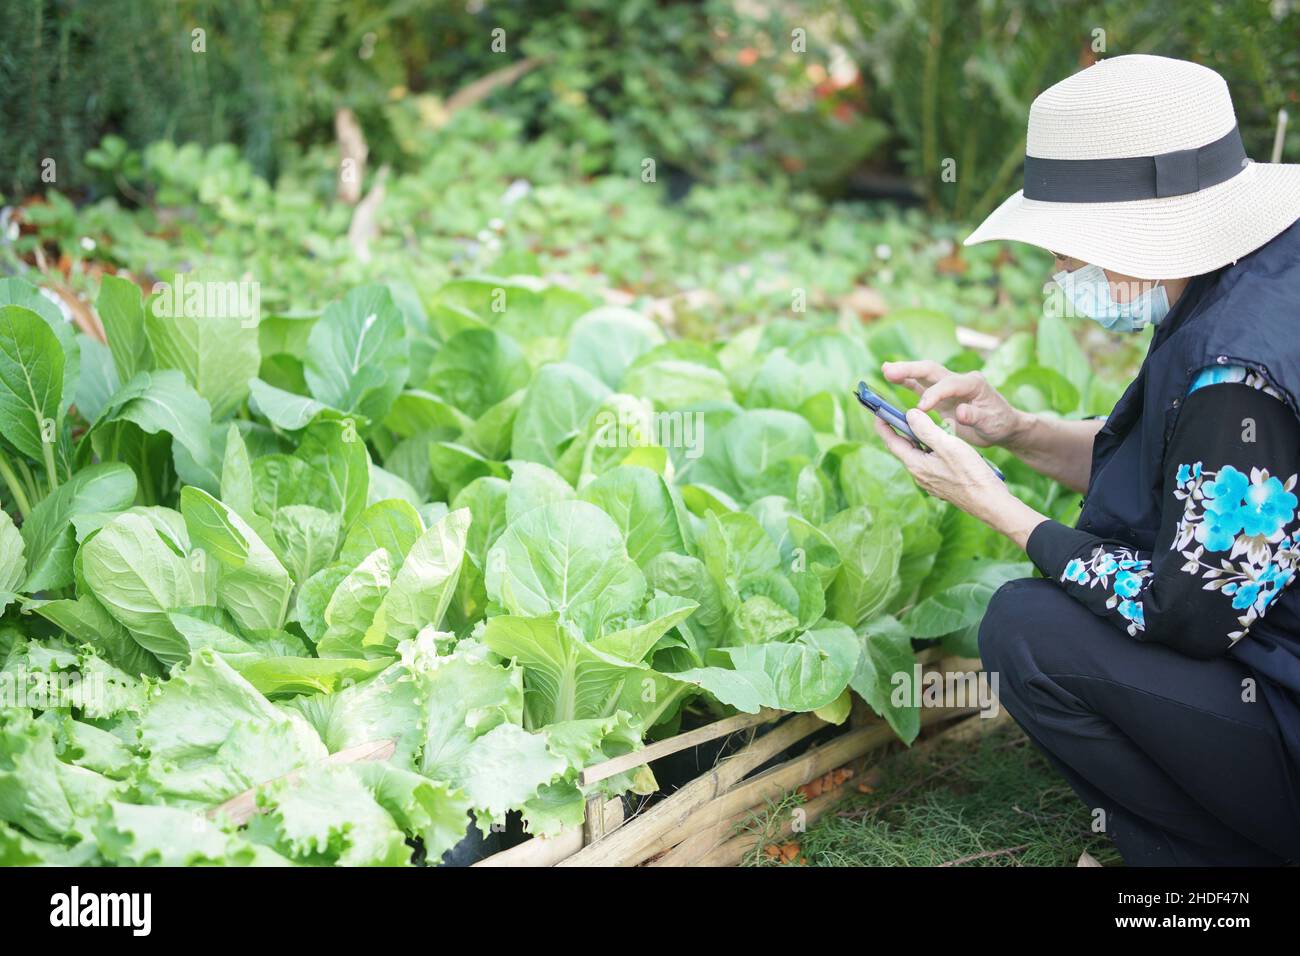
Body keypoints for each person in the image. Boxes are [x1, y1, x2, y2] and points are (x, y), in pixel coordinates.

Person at [875, 54, 1300, 866]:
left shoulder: (1236, 379)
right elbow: (1198, 481)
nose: (1059, 273)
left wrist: (997, 507)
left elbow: (1188, 614)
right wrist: (1016, 429)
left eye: (1067, 250)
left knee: (1027, 630)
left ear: (1136, 237)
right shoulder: (1259, 277)